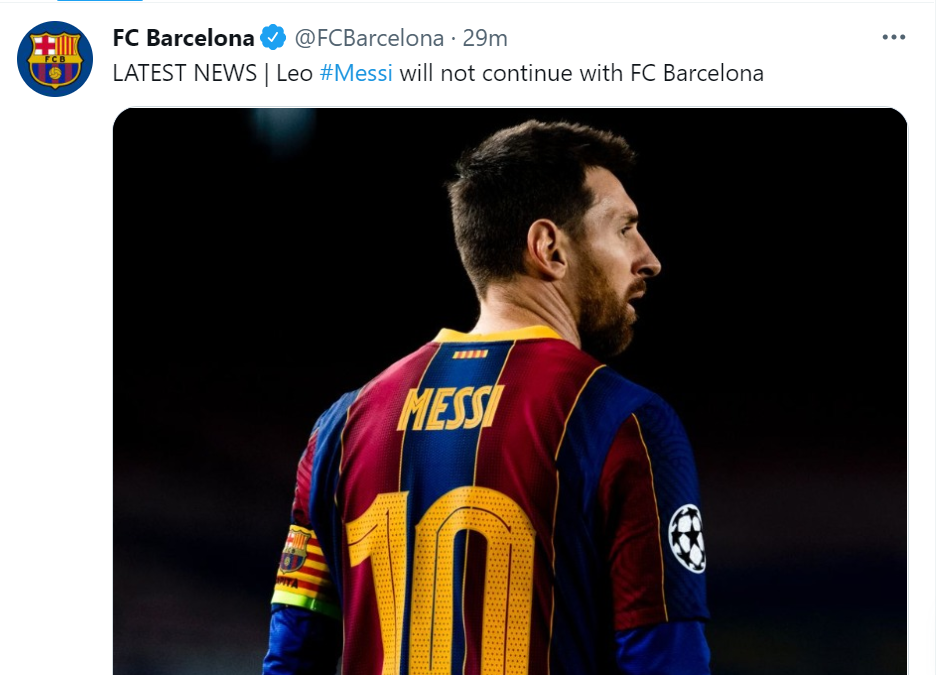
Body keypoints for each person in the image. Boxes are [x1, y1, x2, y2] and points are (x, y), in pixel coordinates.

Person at [262, 120, 711, 675]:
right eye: (624, 229)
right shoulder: (627, 423)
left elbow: (291, 658)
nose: (648, 258)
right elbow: (666, 661)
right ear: (549, 248)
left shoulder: (342, 425)